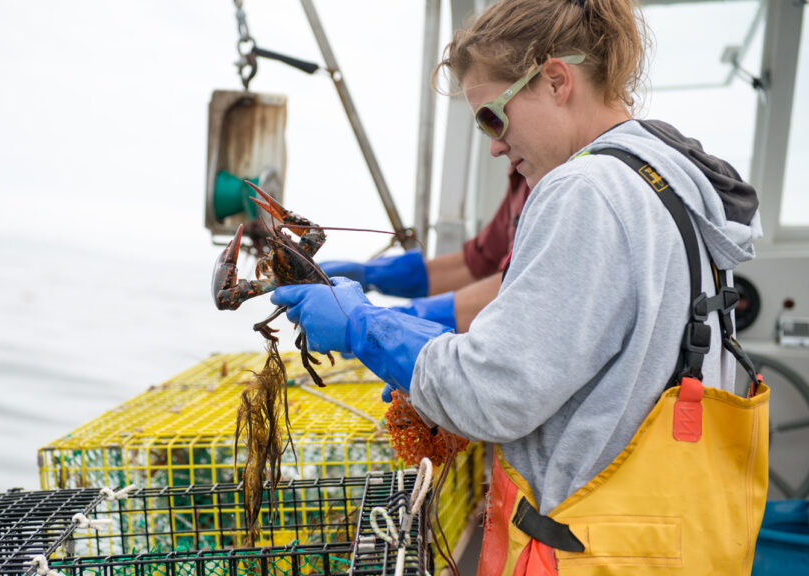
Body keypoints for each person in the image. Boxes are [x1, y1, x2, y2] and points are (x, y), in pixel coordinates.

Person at [271, 0, 769, 573]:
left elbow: (494, 392)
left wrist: (367, 327)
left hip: (584, 551)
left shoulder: (587, 190)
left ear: (556, 80)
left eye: (493, 117)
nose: (494, 146)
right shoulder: (670, 186)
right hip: (672, 545)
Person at [320, 166, 529, 333]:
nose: (494, 148)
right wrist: (371, 274)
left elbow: (525, 290)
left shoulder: (552, 180)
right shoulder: (522, 173)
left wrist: (404, 319)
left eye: (493, 118)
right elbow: (478, 263)